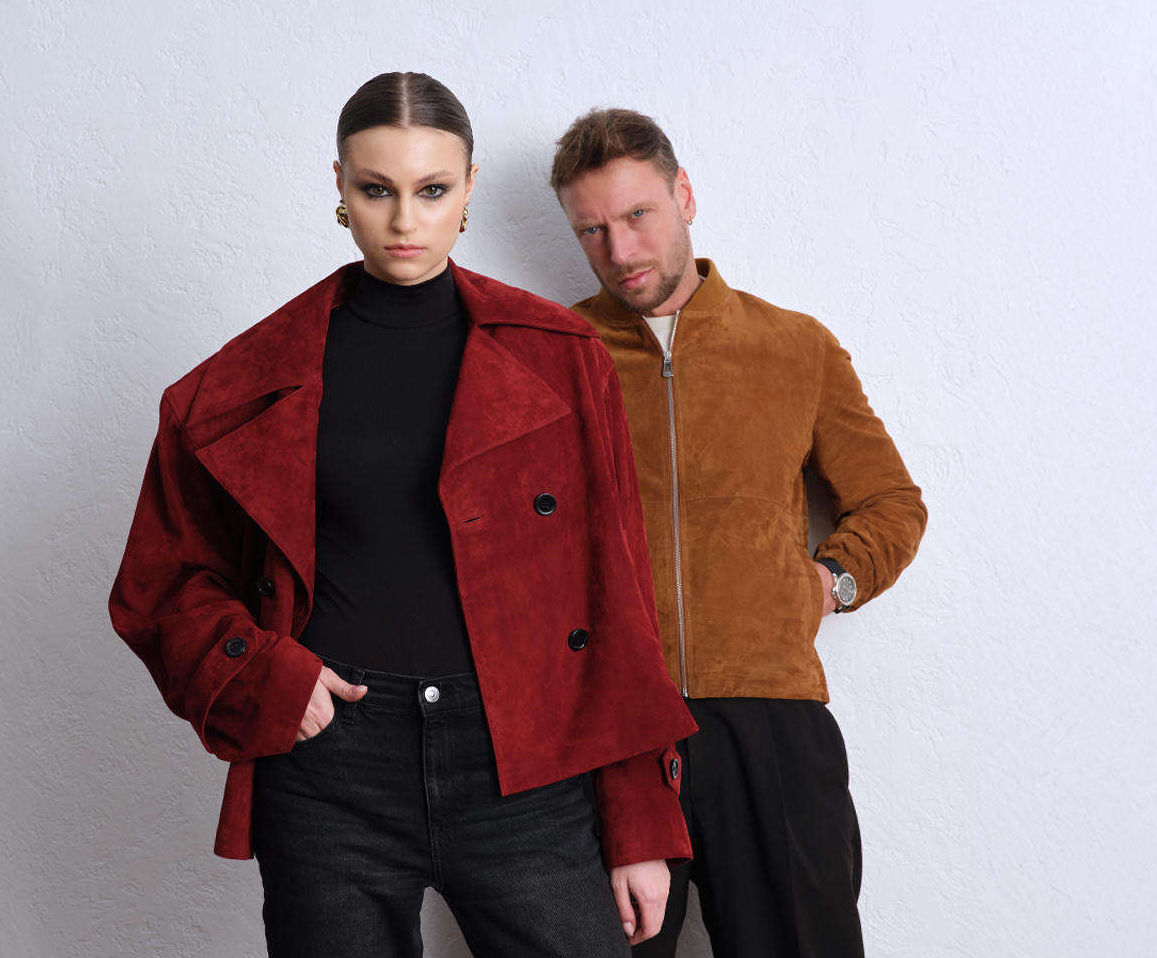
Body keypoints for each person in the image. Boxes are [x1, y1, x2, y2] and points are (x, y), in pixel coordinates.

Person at [109, 75, 696, 957]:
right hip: (332, 767)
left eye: (433, 190)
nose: (405, 220)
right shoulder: (240, 382)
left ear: (468, 190)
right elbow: (158, 585)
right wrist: (266, 677)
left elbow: (616, 595)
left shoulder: (560, 356)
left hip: (526, 757)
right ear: (340, 188)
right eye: (376, 189)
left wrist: (637, 820)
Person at [549, 108, 930, 958]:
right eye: (592, 230)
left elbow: (891, 503)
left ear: (684, 195)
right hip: (610, 724)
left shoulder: (794, 347)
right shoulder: (553, 356)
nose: (620, 249)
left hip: (771, 723)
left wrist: (824, 583)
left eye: (638, 215)